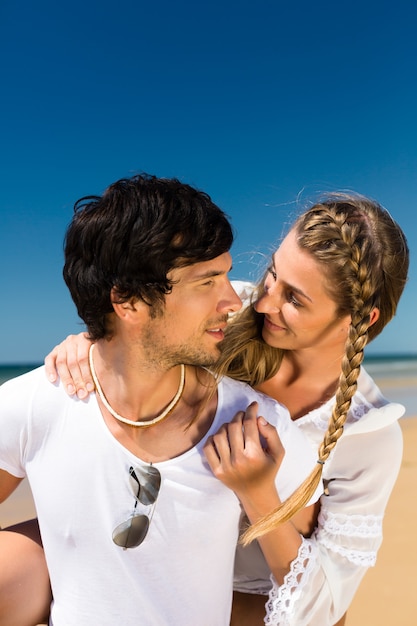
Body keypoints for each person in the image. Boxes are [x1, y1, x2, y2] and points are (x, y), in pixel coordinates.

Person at [42, 192, 409, 625]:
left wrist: (259, 495)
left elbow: (323, 607)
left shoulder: (370, 435)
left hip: (250, 598)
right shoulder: (227, 312)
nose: (264, 302)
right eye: (273, 272)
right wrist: (94, 341)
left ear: (361, 320)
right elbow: (141, 327)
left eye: (295, 299)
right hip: (151, 545)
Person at [0, 174, 321, 626]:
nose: (233, 300)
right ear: (128, 301)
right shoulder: (34, 405)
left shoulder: (255, 427)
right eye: (207, 281)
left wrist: (259, 495)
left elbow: (320, 605)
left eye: (226, 276)